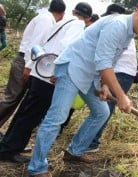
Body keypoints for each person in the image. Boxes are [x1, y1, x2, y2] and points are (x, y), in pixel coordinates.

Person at [27, 2, 138, 177]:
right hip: (73, 67)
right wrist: (121, 96)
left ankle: (74, 151)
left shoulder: (128, 34)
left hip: (89, 75)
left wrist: (105, 86)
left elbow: (110, 61)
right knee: (57, 117)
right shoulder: (118, 25)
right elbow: (104, 63)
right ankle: (37, 168)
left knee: (101, 112)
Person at [0, 2, 91, 164]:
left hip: (39, 71)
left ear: (73, 11)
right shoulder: (77, 25)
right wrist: (59, 71)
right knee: (31, 116)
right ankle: (10, 150)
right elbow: (66, 47)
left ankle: (8, 145)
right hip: (48, 76)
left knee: (24, 112)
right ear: (88, 19)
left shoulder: (63, 21)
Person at [0, 0, 65, 131]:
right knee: (11, 99)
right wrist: (29, 67)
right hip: (25, 61)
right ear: (62, 14)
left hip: (26, 61)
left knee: (15, 99)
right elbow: (35, 45)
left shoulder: (45, 18)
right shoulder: (46, 20)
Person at [87, 3, 137, 153]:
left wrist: (116, 92)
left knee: (105, 107)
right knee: (105, 107)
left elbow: (105, 60)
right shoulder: (123, 30)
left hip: (120, 72)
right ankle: (91, 141)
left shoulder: (117, 28)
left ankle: (92, 142)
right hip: (122, 72)